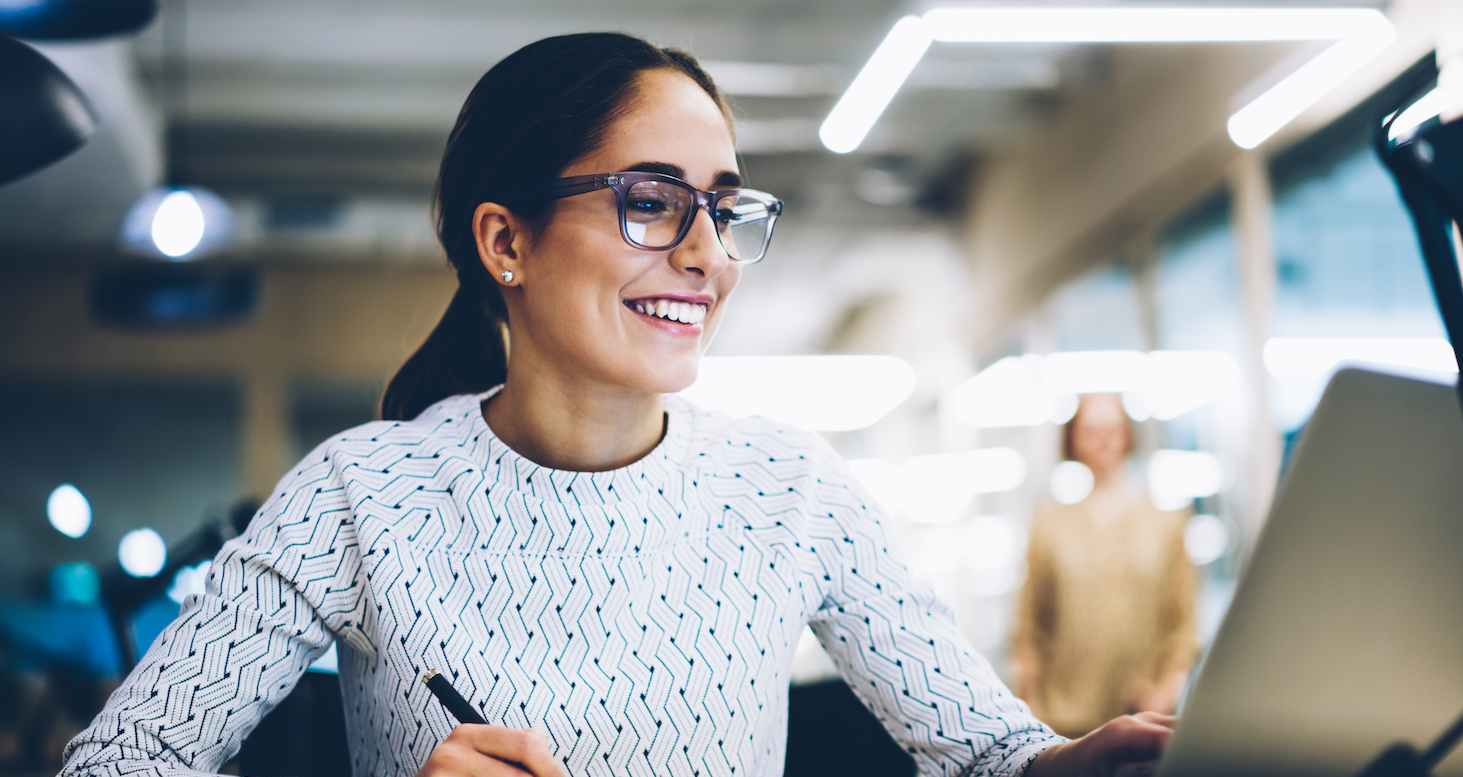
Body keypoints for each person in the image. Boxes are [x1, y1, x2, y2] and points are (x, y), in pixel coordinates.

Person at [61, 32, 1174, 777]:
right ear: (506, 241)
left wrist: (1080, 760)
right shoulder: (362, 494)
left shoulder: (788, 489)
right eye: (652, 202)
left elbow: (986, 752)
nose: (708, 255)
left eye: (725, 210)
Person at [1011, 393, 1199, 738]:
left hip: (1143, 719)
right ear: (1072, 438)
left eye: (1113, 427)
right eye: (1091, 428)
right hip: (1065, 721)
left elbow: (1182, 628)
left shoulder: (1167, 524)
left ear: (1128, 434)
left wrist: (1164, 694)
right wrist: (1030, 709)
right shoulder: (1048, 525)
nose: (1104, 438)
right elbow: (1029, 630)